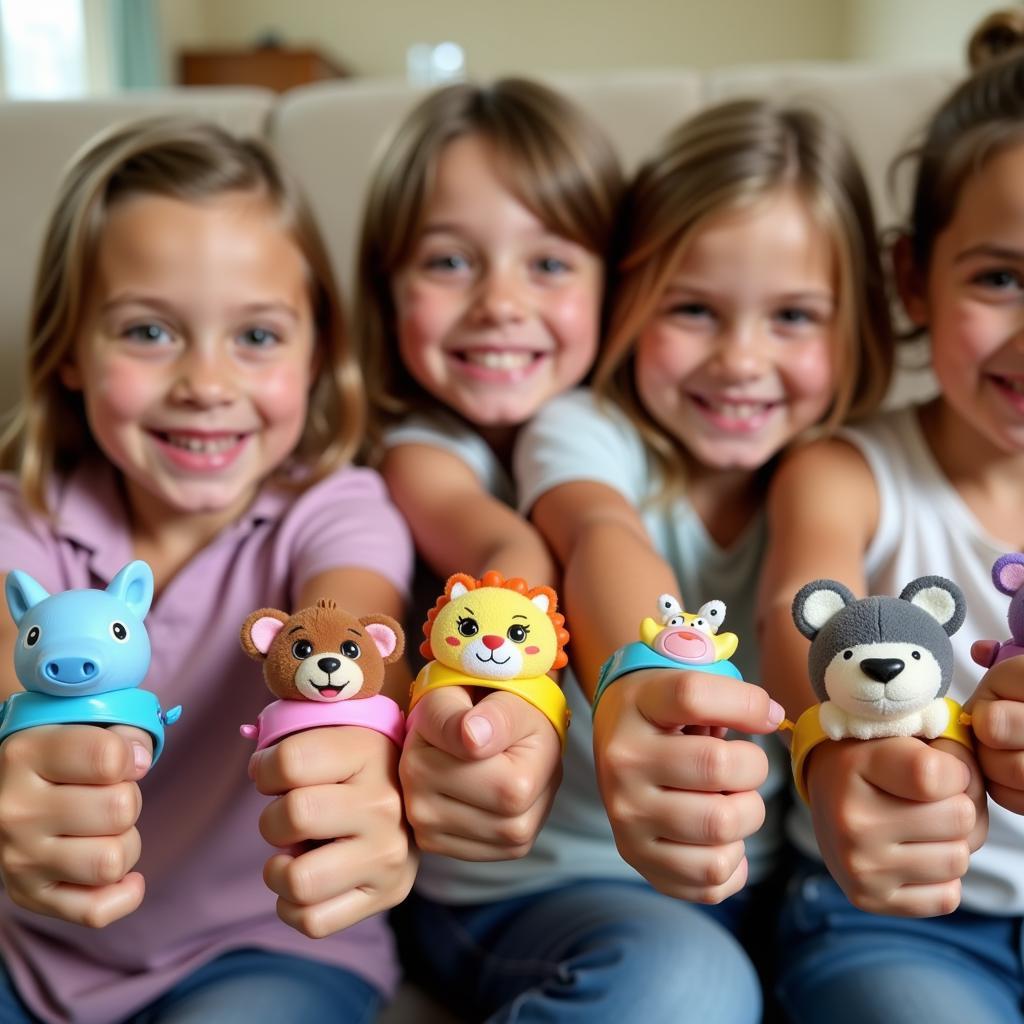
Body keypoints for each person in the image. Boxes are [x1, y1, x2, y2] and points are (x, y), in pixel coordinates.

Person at [404, 96, 893, 1021]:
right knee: (685, 987)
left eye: (793, 316)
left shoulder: (847, 470)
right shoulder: (584, 430)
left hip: (762, 884)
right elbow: (599, 533)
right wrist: (645, 676)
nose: (741, 360)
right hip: (540, 887)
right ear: (630, 305)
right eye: (694, 310)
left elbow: (814, 609)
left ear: (856, 326)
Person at [0, 118, 415, 1023]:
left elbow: (353, 622)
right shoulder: (19, 521)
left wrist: (359, 749)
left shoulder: (334, 510)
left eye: (258, 337)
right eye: (149, 330)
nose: (206, 382)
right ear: (69, 349)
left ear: (318, 355)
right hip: (26, 947)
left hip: (272, 946)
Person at [756, 15, 1024, 1023]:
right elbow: (798, 603)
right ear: (913, 276)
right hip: (884, 921)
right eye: (1000, 278)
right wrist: (836, 749)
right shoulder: (847, 467)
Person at [354, 81, 623, 872]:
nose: (501, 302)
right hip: (482, 879)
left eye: (548, 263)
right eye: (448, 261)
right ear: (386, 287)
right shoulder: (415, 451)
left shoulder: (618, 436)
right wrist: (509, 693)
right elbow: (504, 543)